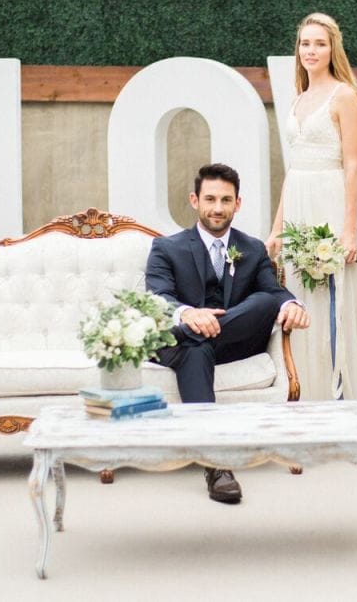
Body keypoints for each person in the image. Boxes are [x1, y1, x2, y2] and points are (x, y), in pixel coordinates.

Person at [146, 163, 309, 504]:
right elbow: (157, 298)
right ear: (194, 200)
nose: (217, 208)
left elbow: (273, 291)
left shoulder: (253, 248)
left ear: (238, 203)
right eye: (210, 199)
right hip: (189, 348)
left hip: (229, 343)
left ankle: (186, 335)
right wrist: (189, 314)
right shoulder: (166, 248)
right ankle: (217, 465)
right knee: (196, 350)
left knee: (266, 301)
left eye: (225, 200)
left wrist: (292, 304)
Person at [265, 12, 357, 401]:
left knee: (334, 299)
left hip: (329, 202)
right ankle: (307, 391)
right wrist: (277, 228)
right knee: (300, 297)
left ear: (333, 49)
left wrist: (349, 231)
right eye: (305, 43)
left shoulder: (344, 96)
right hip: (299, 202)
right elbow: (293, 169)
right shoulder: (298, 99)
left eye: (319, 43)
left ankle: (341, 395)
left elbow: (353, 165)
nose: (311, 51)